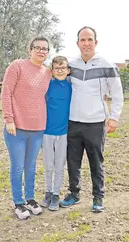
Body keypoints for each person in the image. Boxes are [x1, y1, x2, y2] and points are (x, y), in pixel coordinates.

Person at [60, 26, 124, 212]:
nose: (86, 43)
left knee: (96, 161)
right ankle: (74, 193)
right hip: (73, 122)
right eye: (83, 40)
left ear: (96, 42)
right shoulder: (71, 66)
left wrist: (114, 118)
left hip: (96, 123)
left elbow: (117, 94)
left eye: (90, 39)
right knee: (73, 161)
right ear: (77, 43)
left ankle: (98, 197)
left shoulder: (107, 65)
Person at [1, 37, 52, 220]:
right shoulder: (17, 66)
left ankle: (30, 199)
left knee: (31, 167)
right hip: (17, 127)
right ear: (29, 49)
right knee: (18, 166)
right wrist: (9, 119)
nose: (41, 51)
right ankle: (18, 202)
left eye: (45, 49)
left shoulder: (48, 72)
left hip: (38, 128)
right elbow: (6, 92)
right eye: (37, 48)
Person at [39, 56, 72, 211]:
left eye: (63, 68)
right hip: (47, 133)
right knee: (48, 166)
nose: (60, 71)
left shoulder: (72, 87)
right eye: (57, 68)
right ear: (51, 71)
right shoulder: (47, 86)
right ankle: (48, 191)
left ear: (68, 70)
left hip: (64, 133)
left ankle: (56, 194)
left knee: (59, 166)